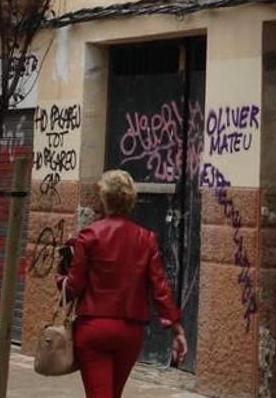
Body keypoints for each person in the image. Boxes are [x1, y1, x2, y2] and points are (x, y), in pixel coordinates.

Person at [56, 170, 187, 398]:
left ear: (104, 198)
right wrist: (176, 328)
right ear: (131, 200)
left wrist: (60, 276)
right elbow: (160, 288)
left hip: (94, 329)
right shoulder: (146, 239)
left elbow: (73, 287)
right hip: (130, 332)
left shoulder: (89, 236)